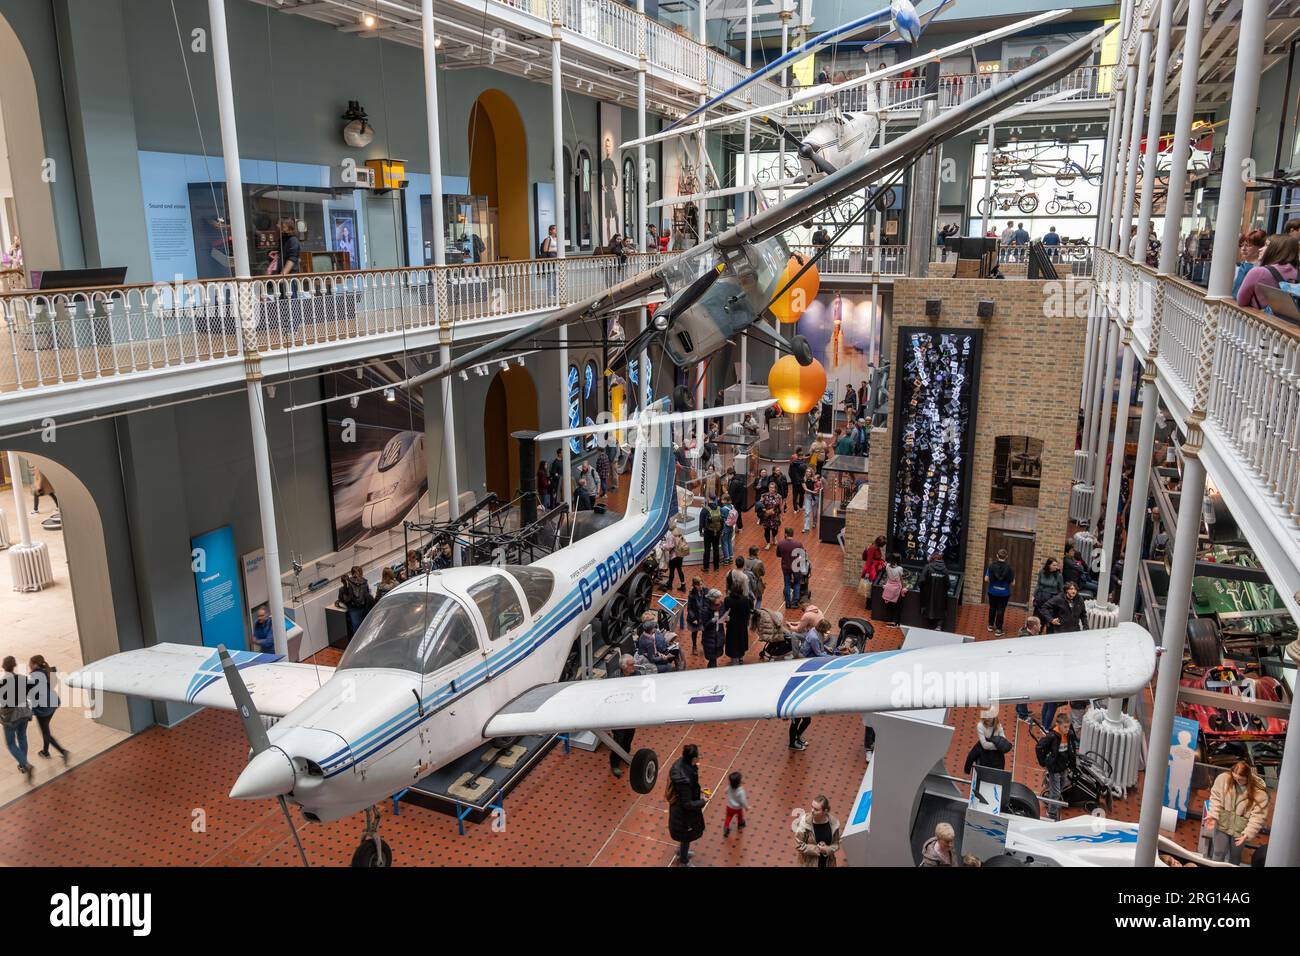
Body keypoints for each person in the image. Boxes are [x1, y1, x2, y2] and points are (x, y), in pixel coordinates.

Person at [1204, 761, 1269, 864]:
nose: (1238, 781)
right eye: (1235, 778)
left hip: (1240, 830)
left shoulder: (1260, 793)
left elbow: (1258, 817)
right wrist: (1213, 815)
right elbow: (1215, 798)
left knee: (1235, 857)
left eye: (1241, 779)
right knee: (1218, 853)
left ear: (1248, 777)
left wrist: (1247, 834)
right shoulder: (1223, 779)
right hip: (1222, 824)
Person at [667, 744, 708, 866]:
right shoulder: (684, 779)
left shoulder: (682, 765)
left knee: (684, 837)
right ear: (693, 759)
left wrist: (697, 790)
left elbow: (688, 789)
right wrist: (703, 801)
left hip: (680, 810)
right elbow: (687, 804)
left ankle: (681, 852)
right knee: (686, 837)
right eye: (698, 755)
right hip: (683, 815)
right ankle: (684, 861)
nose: (700, 757)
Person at [1236, 233, 1299, 311]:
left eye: (1266, 245)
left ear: (1276, 249)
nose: (1260, 249)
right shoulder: (1297, 272)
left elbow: (1241, 301)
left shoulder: (1258, 272)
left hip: (1262, 321)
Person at [1036, 710, 1078, 821]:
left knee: (1063, 784)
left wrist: (1072, 762)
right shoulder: (1052, 736)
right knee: (1056, 791)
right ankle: (1051, 813)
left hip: (1063, 765)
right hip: (1054, 767)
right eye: (1065, 727)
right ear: (1058, 725)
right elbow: (1039, 747)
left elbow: (1071, 748)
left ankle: (1052, 798)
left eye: (1068, 727)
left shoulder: (1068, 734)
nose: (1067, 729)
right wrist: (1043, 761)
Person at [26, 655, 67, 762]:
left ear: (35, 664)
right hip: (53, 703)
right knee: (46, 729)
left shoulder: (35, 677)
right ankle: (45, 751)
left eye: (30, 663)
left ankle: (63, 751)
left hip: (43, 709)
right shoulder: (48, 671)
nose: (28, 665)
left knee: (45, 732)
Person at [1, 656, 33, 777]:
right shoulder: (23, 679)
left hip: (10, 716)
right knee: (22, 737)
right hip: (24, 712)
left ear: (3, 666)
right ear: (14, 665)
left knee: (10, 744)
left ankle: (26, 764)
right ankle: (23, 765)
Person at [608, 654, 640, 776]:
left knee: (629, 737)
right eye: (631, 664)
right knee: (619, 739)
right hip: (618, 715)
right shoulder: (614, 679)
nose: (634, 666)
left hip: (630, 713)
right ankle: (614, 763)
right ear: (623, 666)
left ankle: (626, 756)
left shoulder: (637, 675)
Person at [794, 795, 842, 867]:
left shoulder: (833, 824)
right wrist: (817, 849)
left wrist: (827, 849)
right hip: (808, 863)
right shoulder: (805, 823)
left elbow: (836, 843)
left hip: (828, 863)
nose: (812, 811)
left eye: (816, 809)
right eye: (812, 807)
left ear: (825, 811)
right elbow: (798, 844)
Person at [964, 705, 1009, 774]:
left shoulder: (998, 726)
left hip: (994, 751)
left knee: (1001, 765)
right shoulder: (980, 725)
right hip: (984, 748)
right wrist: (998, 746)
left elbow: (1004, 740)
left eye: (989, 716)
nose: (987, 718)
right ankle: (967, 770)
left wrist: (995, 745)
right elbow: (985, 745)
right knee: (971, 756)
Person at [1013, 616, 1043, 720]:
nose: (1041, 626)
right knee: (1023, 692)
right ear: (1034, 626)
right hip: (1023, 669)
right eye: (1039, 624)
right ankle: (1023, 715)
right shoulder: (1027, 639)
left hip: (1024, 667)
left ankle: (1020, 710)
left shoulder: (1028, 635)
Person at [984, 548, 1015, 636]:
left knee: (992, 607)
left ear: (997, 556)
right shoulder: (1010, 568)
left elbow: (986, 579)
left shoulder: (991, 566)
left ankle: (990, 625)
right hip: (1004, 593)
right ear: (1007, 557)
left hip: (992, 591)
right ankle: (998, 629)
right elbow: (1013, 583)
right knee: (1001, 610)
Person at [336, 566, 372, 636]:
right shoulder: (364, 582)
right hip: (361, 608)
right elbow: (367, 594)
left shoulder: (350, 584)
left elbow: (343, 598)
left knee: (358, 629)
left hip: (357, 608)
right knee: (363, 628)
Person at [918, 552, 950, 630]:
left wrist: (922, 589)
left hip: (928, 594)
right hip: (941, 596)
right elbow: (948, 584)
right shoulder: (945, 570)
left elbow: (921, 581)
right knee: (940, 608)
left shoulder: (928, 567)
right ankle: (939, 626)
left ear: (932, 559)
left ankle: (930, 625)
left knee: (929, 608)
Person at [776, 528, 806, 609]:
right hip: (796, 567)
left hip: (785, 567)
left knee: (787, 584)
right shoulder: (798, 544)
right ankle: (795, 603)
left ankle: (788, 603)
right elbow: (803, 555)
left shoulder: (780, 543)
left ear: (786, 534)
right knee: (797, 583)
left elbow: (778, 555)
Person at [1232, 229, 1267, 297]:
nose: (1243, 248)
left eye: (1248, 245)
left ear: (1260, 247)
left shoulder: (1263, 270)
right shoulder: (1237, 267)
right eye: (1241, 245)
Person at [1033, 557, 1064, 625]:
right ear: (1048, 565)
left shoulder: (1059, 575)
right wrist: (1034, 595)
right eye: (1054, 565)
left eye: (1056, 565)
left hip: (1051, 599)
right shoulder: (1042, 572)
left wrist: (1058, 601)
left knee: (1046, 619)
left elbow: (1061, 590)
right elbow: (1038, 584)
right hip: (1040, 597)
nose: (1056, 567)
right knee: (1036, 618)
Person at [701, 589, 726, 668]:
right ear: (713, 599)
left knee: (713, 659)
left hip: (719, 636)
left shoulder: (721, 605)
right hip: (710, 638)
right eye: (718, 597)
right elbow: (704, 626)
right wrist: (712, 620)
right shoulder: (706, 609)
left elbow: (723, 614)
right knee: (713, 660)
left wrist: (726, 618)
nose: (720, 599)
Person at [879, 553, 905, 625]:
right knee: (897, 605)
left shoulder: (887, 566)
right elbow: (901, 579)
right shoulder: (900, 569)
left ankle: (888, 619)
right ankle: (894, 621)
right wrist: (903, 587)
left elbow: (887, 575)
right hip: (896, 588)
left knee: (889, 604)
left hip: (889, 586)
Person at [699, 496, 723, 572]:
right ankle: (716, 567)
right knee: (716, 549)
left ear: (708, 500)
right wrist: (720, 530)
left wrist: (700, 531)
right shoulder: (719, 508)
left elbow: (701, 523)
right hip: (717, 532)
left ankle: (706, 567)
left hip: (708, 532)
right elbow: (722, 521)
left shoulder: (705, 510)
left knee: (707, 550)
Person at [758, 481, 784, 549]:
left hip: (775, 516)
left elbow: (781, 506)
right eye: (770, 487)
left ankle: (774, 536)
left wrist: (781, 516)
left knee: (775, 530)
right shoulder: (764, 495)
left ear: (775, 489)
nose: (771, 489)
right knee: (766, 530)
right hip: (766, 515)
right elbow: (760, 505)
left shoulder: (779, 496)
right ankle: (768, 543)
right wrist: (766, 511)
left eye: (773, 488)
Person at [723, 770, 749, 837]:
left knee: (728, 817)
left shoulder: (729, 787)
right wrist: (746, 807)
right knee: (740, 816)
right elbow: (743, 801)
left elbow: (725, 791)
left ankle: (726, 827)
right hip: (738, 808)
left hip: (729, 807)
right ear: (739, 782)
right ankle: (740, 824)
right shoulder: (741, 791)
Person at [686, 576, 707, 654]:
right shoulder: (691, 594)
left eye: (701, 584)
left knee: (704, 630)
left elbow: (706, 601)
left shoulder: (704, 591)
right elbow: (689, 608)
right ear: (695, 585)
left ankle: (703, 642)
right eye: (699, 585)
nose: (701, 586)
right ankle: (694, 646)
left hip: (702, 615)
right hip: (695, 616)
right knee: (694, 632)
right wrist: (693, 618)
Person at [667, 524, 688, 589]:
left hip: (674, 556)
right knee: (679, 570)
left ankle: (670, 585)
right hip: (680, 555)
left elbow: (670, 546)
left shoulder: (671, 536)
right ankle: (683, 585)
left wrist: (663, 546)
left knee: (672, 571)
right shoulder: (679, 533)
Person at [802, 467, 823, 533]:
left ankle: (814, 523)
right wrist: (812, 491)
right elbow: (805, 489)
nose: (808, 473)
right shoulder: (804, 479)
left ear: (811, 473)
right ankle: (806, 528)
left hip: (815, 496)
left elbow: (820, 485)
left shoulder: (814, 478)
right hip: (808, 496)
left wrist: (818, 489)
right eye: (807, 471)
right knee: (807, 512)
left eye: (809, 472)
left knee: (814, 512)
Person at [719, 493, 737, 562]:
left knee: (724, 542)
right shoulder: (732, 506)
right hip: (731, 526)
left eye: (722, 500)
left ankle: (726, 558)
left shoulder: (723, 509)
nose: (721, 501)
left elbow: (721, 518)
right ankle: (731, 556)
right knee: (729, 541)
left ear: (726, 500)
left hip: (725, 528)